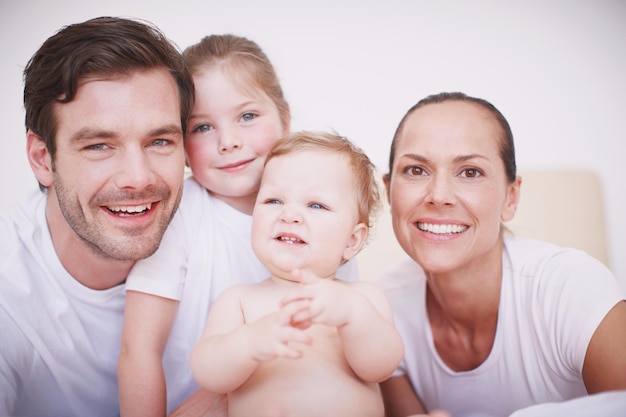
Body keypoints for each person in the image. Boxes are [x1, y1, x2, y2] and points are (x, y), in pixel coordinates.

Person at [118, 36, 358, 416]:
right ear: (180, 142)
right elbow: (139, 350)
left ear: (286, 118)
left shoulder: (325, 214)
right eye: (202, 128)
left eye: (247, 116)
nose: (228, 142)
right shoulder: (179, 215)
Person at [376, 92, 626, 417]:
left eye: (470, 172)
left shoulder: (571, 287)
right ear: (389, 192)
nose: (438, 196)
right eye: (416, 170)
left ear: (511, 197)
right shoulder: (381, 312)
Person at [0, 16, 194, 417]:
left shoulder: (258, 228)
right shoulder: (8, 292)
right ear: (42, 159)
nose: (138, 178)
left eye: (160, 141)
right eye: (99, 146)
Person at [189, 131, 404, 417]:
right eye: (273, 201)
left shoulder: (361, 298)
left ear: (352, 241)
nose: (289, 215)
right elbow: (209, 374)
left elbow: (380, 368)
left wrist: (353, 315)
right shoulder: (239, 301)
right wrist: (249, 343)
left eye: (316, 205)